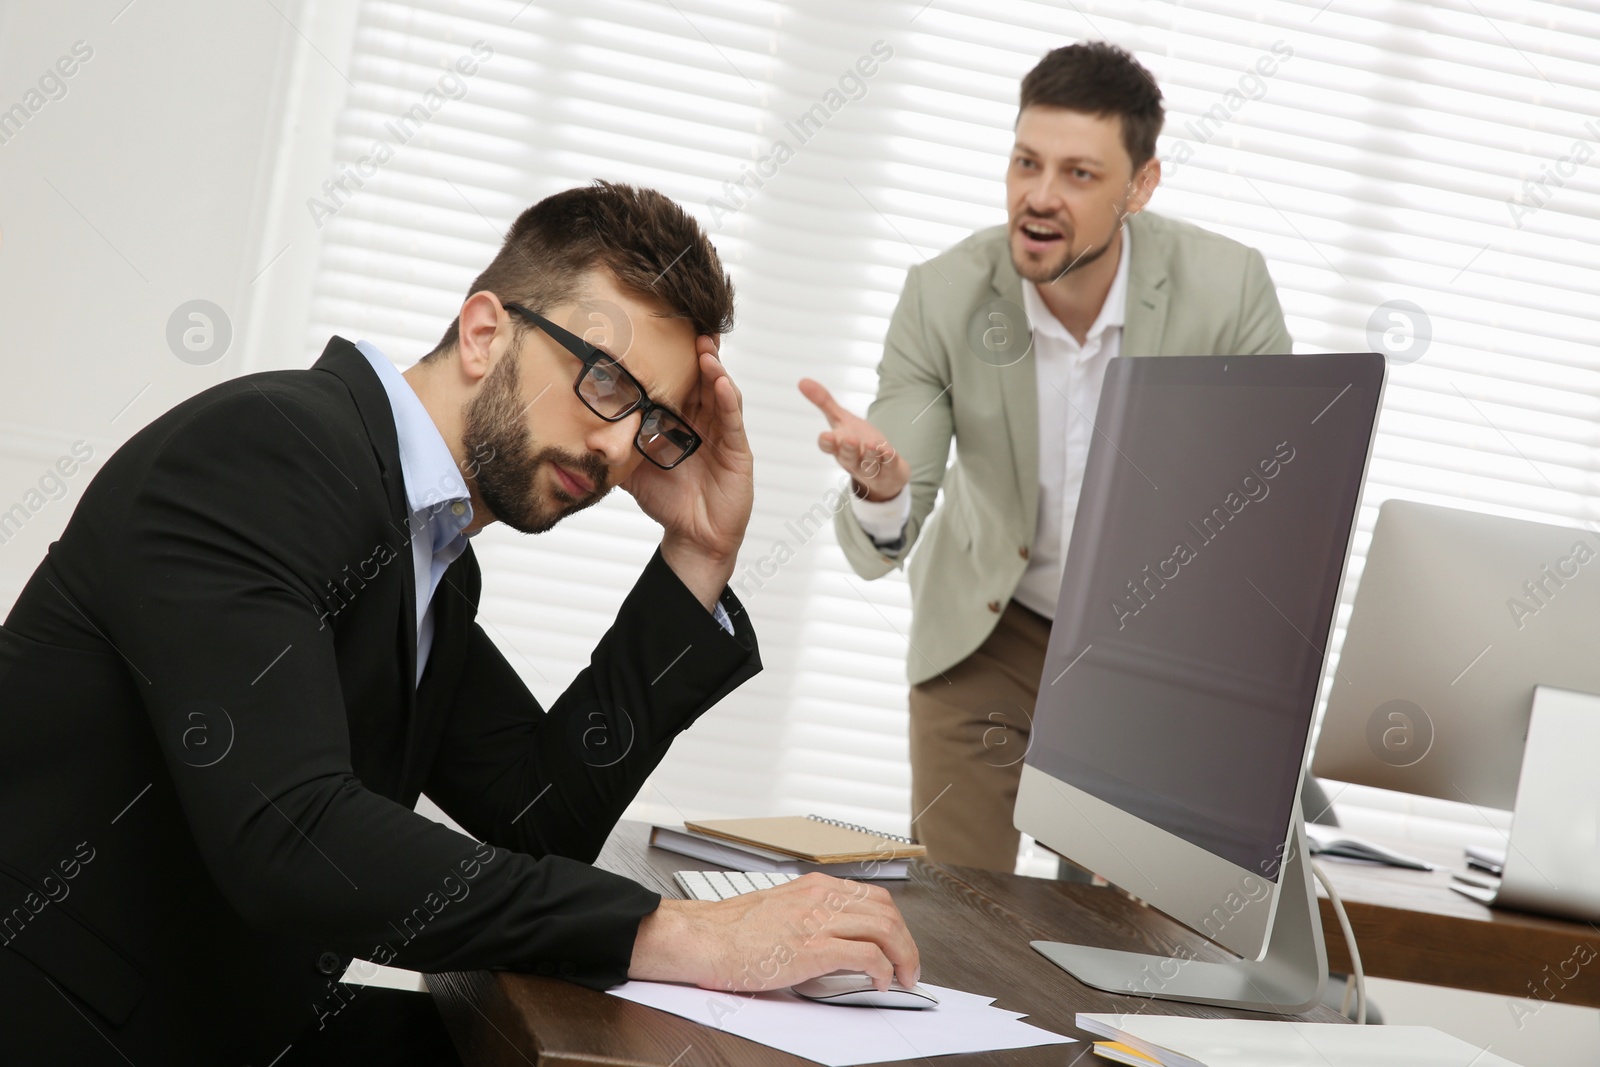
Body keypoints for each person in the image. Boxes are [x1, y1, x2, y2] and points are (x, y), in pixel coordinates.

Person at [0, 181, 918, 1066]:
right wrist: (676, 931)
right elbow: (294, 837)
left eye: (651, 423)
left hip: (224, 1013)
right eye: (604, 382)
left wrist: (698, 555)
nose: (614, 446)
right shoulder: (272, 452)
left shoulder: (425, 553)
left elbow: (537, 817)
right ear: (485, 333)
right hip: (79, 1021)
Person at [801, 43, 1295, 874]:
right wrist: (881, 491)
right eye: (1026, 162)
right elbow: (894, 488)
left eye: (1078, 174)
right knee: (965, 918)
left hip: (1148, 649)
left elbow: (1277, 496)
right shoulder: (945, 293)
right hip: (988, 634)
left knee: (1114, 937)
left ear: (1140, 187)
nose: (1038, 195)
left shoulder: (1228, 288)